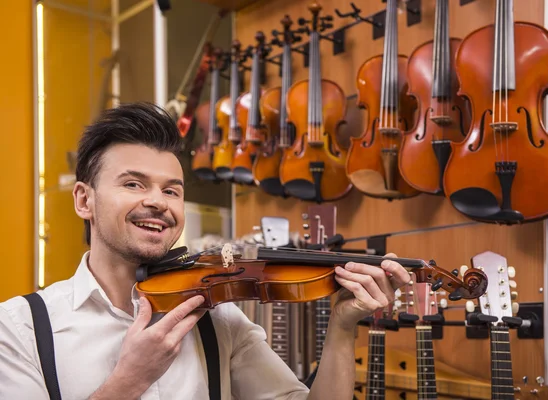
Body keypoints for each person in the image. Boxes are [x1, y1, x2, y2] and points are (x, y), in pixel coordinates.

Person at [0, 102, 410, 399]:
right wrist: (130, 380)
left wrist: (341, 328)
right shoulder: (19, 328)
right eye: (133, 184)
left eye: (171, 190)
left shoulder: (218, 317)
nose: (159, 202)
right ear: (84, 201)